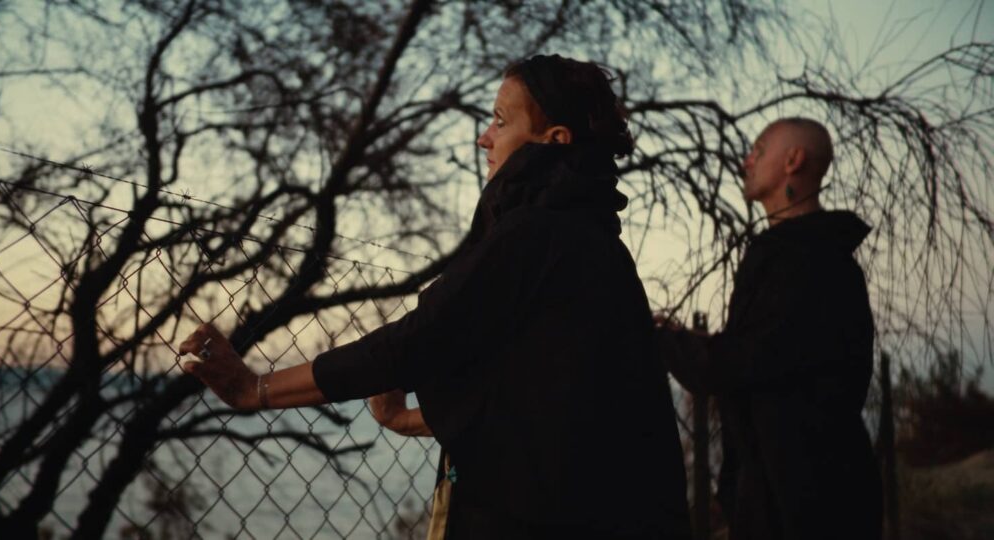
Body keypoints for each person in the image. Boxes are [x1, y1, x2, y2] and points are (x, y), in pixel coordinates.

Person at [179, 54, 692, 539]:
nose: (483, 138)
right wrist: (406, 418)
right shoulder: (597, 246)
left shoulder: (538, 235)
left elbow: (415, 342)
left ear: (553, 139)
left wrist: (256, 390)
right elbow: (539, 406)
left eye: (499, 121)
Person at [658, 118, 882, 540]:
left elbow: (745, 362)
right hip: (798, 498)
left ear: (793, 160)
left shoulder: (808, 262)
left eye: (758, 151)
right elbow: (772, 353)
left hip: (809, 508)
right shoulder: (807, 258)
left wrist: (661, 340)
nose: (746, 161)